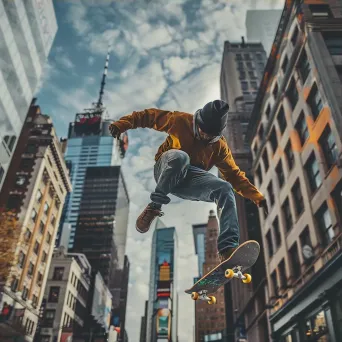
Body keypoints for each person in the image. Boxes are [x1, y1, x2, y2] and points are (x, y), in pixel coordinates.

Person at [109, 100, 268, 262]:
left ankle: (228, 248)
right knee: (180, 157)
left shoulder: (220, 147)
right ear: (198, 121)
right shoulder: (181, 121)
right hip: (166, 169)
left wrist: (257, 197)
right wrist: (122, 125)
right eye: (202, 131)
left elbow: (235, 176)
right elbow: (149, 116)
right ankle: (153, 207)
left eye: (210, 136)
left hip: (190, 181)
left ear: (218, 134)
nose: (205, 136)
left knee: (225, 189)